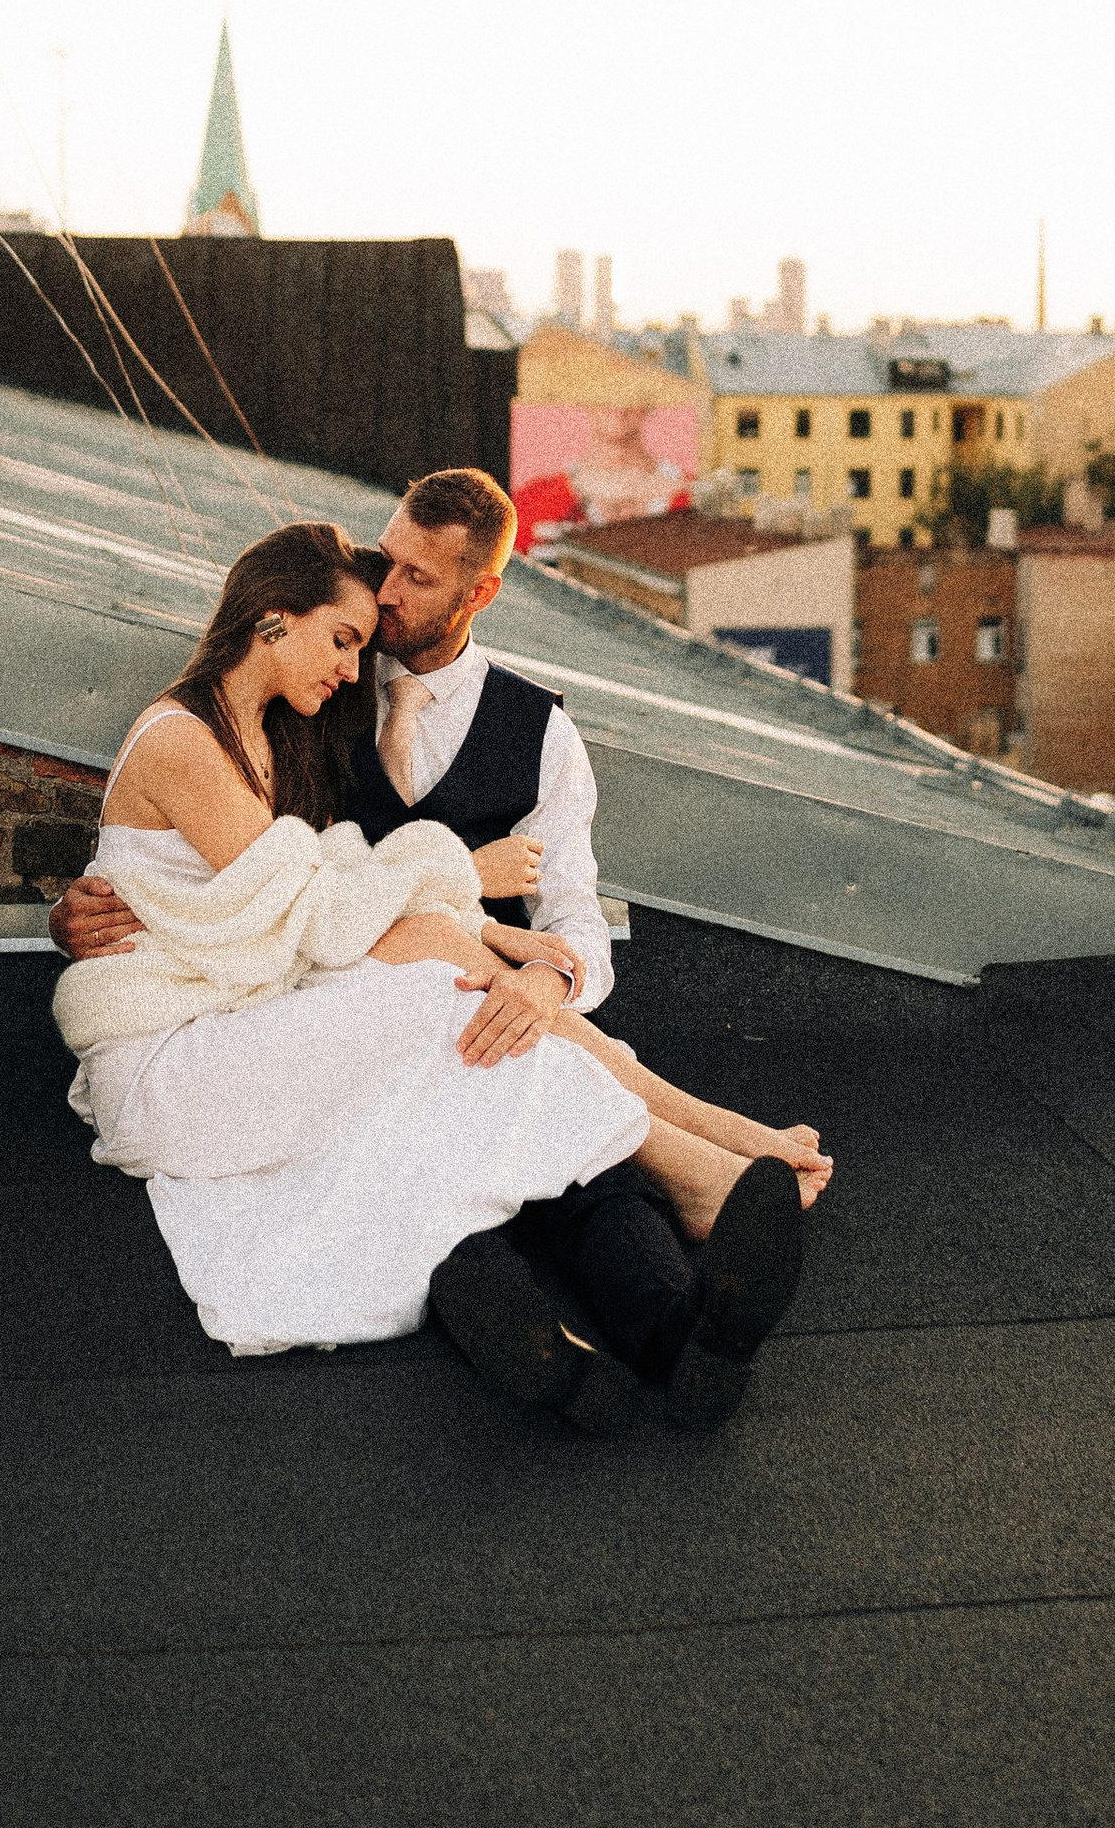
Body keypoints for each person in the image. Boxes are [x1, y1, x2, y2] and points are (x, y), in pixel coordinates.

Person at [54, 479, 826, 1429]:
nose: (381, 605)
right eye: (379, 576)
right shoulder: (308, 713)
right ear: (275, 621)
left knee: (583, 1176)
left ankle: (683, 1328)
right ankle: (661, 1224)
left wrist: (539, 974)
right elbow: (294, 890)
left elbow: (572, 910)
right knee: (452, 1123)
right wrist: (463, 884)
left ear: (478, 593)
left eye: (414, 578)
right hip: (384, 1015)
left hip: (496, 1017)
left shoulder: (536, 732)